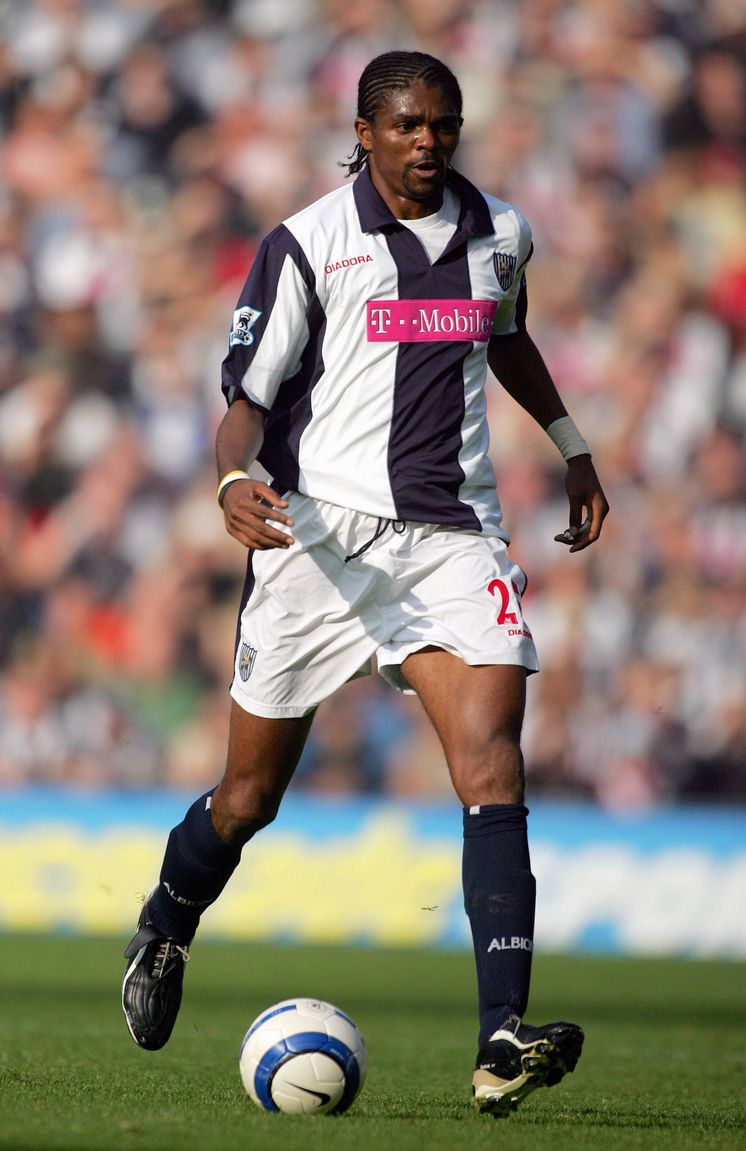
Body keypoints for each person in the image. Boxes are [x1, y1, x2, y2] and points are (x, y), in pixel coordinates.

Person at [121, 49, 609, 1117]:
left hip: (450, 538)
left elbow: (507, 334)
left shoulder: (500, 233)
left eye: (443, 124)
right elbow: (245, 400)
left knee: (491, 764)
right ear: (366, 128)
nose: (427, 142)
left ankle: (498, 1037)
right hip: (315, 542)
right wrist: (232, 479)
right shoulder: (306, 244)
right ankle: (166, 916)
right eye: (407, 125)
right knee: (247, 797)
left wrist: (570, 444)